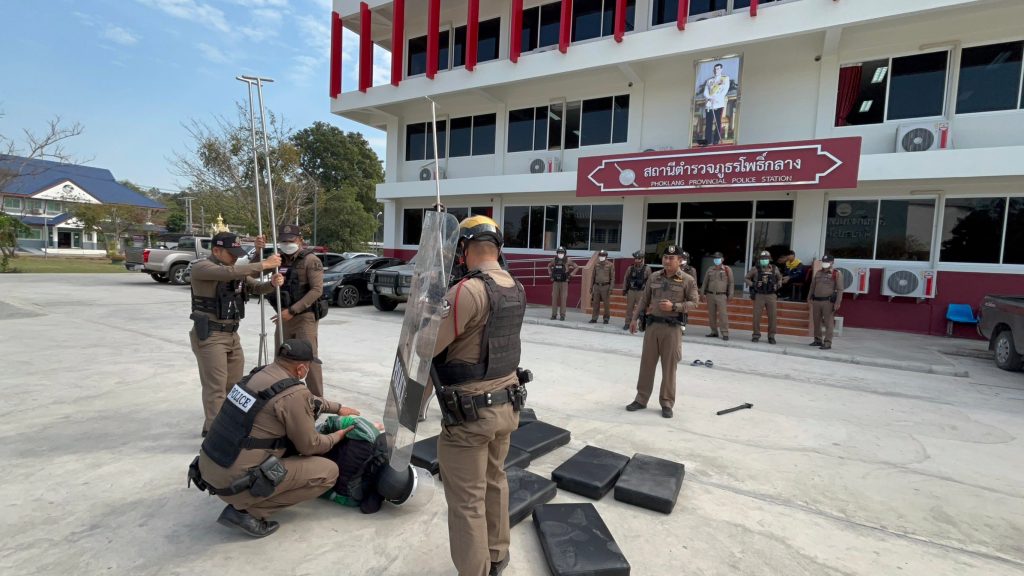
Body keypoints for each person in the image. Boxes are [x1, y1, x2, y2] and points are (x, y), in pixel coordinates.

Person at [432, 215, 527, 576]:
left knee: (466, 501)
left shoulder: (467, 291)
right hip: (506, 405)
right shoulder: (514, 286)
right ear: (498, 249)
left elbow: (429, 347)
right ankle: (497, 555)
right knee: (495, 481)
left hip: (470, 416)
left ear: (464, 249)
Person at [190, 339, 362, 538]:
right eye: (308, 366)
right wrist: (336, 437)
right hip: (235, 484)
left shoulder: (259, 375)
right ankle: (248, 513)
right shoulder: (294, 394)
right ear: (301, 369)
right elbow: (310, 446)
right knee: (328, 472)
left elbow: (302, 400)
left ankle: (245, 498)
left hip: (209, 469)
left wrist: (337, 408)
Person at [190, 232, 283, 436]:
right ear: (216, 250)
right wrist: (264, 264)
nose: (234, 257)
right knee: (216, 388)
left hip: (232, 335)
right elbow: (229, 272)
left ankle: (226, 425)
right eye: (231, 253)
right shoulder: (202, 267)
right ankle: (215, 433)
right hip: (210, 335)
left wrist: (272, 284)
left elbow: (256, 287)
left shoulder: (233, 270)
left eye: (237, 254)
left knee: (234, 387)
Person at [626, 245, 699, 419]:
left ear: (679, 260)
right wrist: (634, 319)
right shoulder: (654, 276)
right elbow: (644, 299)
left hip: (672, 329)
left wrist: (674, 306)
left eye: (671, 258)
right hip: (652, 327)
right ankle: (641, 399)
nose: (667, 261)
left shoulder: (687, 280)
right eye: (665, 257)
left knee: (669, 368)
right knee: (646, 365)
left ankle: (666, 402)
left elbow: (694, 303)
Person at [272, 224, 326, 397]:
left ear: (300, 240)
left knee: (309, 358)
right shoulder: (277, 259)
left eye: (291, 240)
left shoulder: (311, 260)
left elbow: (317, 290)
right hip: (284, 316)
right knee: (282, 356)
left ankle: (317, 400)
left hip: (304, 317)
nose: (287, 244)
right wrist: (258, 252)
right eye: (283, 241)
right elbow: (254, 272)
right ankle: (283, 396)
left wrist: (293, 311)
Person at [745, 250, 784, 344]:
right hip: (759, 295)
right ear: (759, 260)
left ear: (769, 259)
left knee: (772, 317)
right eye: (762, 259)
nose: (764, 260)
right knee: (756, 317)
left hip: (771, 295)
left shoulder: (774, 268)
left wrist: (778, 285)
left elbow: (780, 278)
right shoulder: (755, 268)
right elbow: (746, 278)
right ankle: (756, 335)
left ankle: (771, 336)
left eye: (766, 259)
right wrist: (753, 284)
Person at [807, 255, 843, 350]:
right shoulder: (818, 273)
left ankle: (827, 342)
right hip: (816, 301)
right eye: (823, 261)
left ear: (832, 262)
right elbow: (812, 286)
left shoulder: (836, 273)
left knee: (828, 323)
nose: (824, 263)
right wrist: (809, 297)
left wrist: (837, 302)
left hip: (828, 302)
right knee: (816, 321)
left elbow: (840, 289)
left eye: (827, 261)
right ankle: (818, 340)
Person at [700, 251, 733, 340]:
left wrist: (731, 294)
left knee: (723, 315)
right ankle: (714, 331)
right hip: (710, 295)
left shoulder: (727, 269)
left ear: (722, 259)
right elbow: (705, 282)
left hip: (721, 296)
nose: (716, 260)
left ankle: (725, 333)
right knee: (711, 315)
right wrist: (702, 293)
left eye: (718, 258)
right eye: (715, 258)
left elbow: (731, 283)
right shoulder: (710, 269)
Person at [621, 250, 652, 330]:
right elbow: (626, 279)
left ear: (642, 259)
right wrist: (624, 289)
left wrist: (649, 292)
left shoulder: (647, 269)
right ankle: (627, 323)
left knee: (641, 309)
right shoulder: (630, 268)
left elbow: (650, 281)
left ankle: (642, 324)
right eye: (635, 258)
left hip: (641, 291)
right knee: (629, 308)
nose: (636, 260)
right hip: (631, 291)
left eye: (638, 259)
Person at [702, 63, 731, 145]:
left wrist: (716, 98)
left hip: (718, 104)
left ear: (721, 69)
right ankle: (708, 140)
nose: (716, 70)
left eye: (718, 69)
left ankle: (716, 140)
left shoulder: (725, 79)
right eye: (715, 69)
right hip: (709, 104)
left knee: (718, 122)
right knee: (708, 123)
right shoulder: (709, 81)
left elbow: (725, 90)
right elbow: (705, 92)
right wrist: (710, 98)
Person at [547, 246, 578, 321]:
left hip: (564, 282)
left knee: (563, 299)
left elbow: (577, 267)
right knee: (554, 299)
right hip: (555, 282)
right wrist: (550, 274)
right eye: (559, 252)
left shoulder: (568, 260)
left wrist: (571, 275)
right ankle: (554, 315)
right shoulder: (554, 260)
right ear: (557, 253)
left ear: (564, 253)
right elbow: (549, 266)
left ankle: (562, 315)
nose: (560, 254)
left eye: (562, 252)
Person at [589, 249, 614, 324]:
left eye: (603, 256)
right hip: (597, 286)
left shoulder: (610, 265)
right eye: (600, 255)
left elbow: (612, 278)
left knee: (606, 304)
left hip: (605, 286)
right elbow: (593, 276)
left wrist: (611, 288)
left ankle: (606, 318)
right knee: (595, 303)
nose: (601, 257)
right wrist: (591, 287)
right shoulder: (596, 264)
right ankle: (594, 318)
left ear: (606, 256)